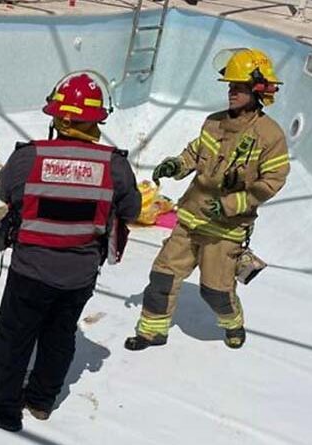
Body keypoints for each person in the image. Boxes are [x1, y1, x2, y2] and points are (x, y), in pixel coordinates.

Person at [0, 71, 142, 432]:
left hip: (30, 271)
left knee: (12, 340)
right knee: (59, 336)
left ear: (58, 118)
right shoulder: (115, 165)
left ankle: (4, 409)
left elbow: (8, 193)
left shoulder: (28, 157)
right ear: (96, 121)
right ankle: (41, 401)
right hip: (79, 275)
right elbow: (132, 211)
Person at [124, 48, 290, 351]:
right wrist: (177, 165)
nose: (231, 92)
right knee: (162, 276)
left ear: (257, 91)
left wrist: (229, 205)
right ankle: (152, 332)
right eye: (230, 87)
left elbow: (272, 182)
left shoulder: (270, 136)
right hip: (190, 217)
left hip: (226, 229)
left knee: (216, 291)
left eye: (238, 88)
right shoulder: (213, 123)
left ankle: (233, 323)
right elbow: (196, 152)